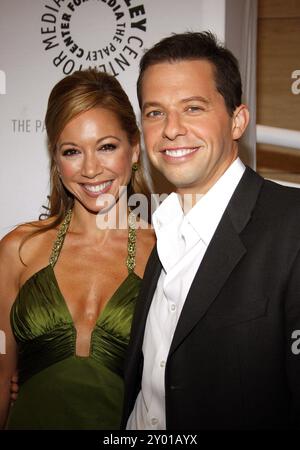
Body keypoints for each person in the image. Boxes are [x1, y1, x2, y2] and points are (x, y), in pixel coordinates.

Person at [122, 31, 300, 430]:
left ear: (237, 120)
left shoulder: (293, 227)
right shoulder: (160, 229)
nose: (171, 129)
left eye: (193, 108)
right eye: (154, 112)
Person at [0, 69, 155, 429]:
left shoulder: (165, 254)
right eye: (72, 151)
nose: (90, 169)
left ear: (133, 150)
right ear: (56, 159)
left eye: (106, 147)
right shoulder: (19, 250)